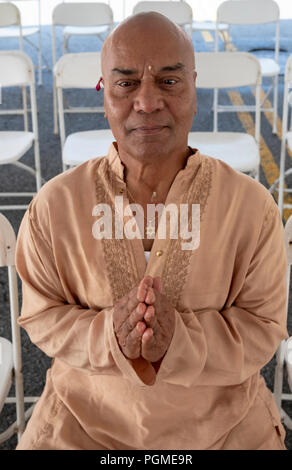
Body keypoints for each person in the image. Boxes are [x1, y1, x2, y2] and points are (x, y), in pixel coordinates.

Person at [15, 12, 288, 450]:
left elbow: (263, 327)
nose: (147, 102)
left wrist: (178, 341)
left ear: (194, 89)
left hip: (223, 427)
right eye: (126, 84)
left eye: (168, 81)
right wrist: (109, 335)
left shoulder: (250, 208)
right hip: (82, 421)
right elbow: (40, 315)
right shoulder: (55, 206)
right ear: (105, 95)